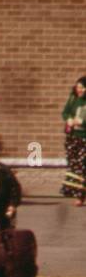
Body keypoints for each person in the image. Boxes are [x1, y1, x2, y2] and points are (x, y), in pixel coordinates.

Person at [61, 77, 86, 207]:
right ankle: (78, 194)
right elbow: (65, 113)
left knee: (83, 167)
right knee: (75, 166)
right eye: (78, 87)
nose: (80, 90)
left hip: (84, 138)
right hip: (73, 137)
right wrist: (69, 119)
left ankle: (81, 196)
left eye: (82, 87)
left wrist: (82, 122)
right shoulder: (73, 99)